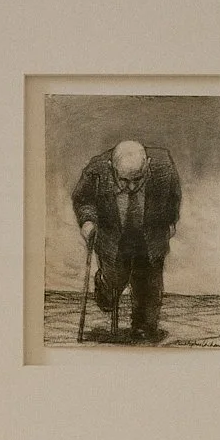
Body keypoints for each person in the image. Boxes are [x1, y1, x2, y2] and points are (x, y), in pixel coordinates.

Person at [71, 137, 182, 343]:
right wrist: (87, 221)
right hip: (113, 237)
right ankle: (104, 286)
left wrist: (170, 220)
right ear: (111, 167)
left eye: (137, 179)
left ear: (147, 165)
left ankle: (143, 327)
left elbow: (173, 197)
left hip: (149, 235)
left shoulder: (164, 167)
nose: (131, 186)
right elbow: (83, 199)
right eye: (124, 180)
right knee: (110, 291)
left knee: (148, 284)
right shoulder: (96, 171)